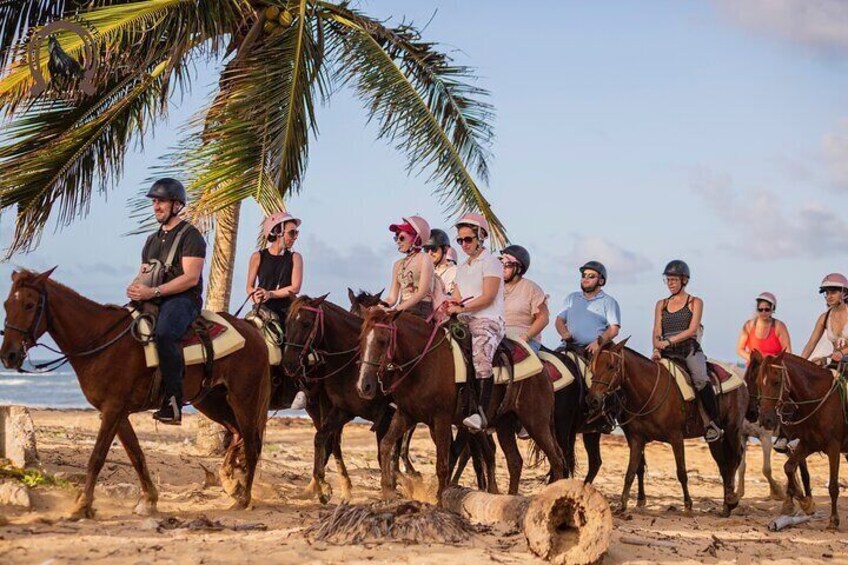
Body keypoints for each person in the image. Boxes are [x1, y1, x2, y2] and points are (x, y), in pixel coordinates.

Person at [127, 178, 206, 425]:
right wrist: (136, 287)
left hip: (183, 300)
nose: (156, 206)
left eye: (161, 201)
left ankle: (173, 401)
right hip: (156, 296)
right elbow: (146, 272)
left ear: (177, 205)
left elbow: (191, 278)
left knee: (164, 334)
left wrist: (154, 293)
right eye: (155, 202)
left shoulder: (191, 236)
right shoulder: (151, 240)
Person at [652, 260, 722, 443]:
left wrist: (668, 341)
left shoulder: (695, 302)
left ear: (684, 280)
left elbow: (692, 330)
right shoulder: (661, 304)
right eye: (668, 280)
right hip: (666, 351)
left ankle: (712, 422)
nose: (670, 283)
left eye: (674, 280)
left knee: (700, 379)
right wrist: (656, 348)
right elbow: (656, 330)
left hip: (689, 350)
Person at [447, 213, 505, 432]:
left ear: (481, 237)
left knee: (481, 357)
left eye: (468, 239)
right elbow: (457, 295)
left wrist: (461, 308)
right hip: (465, 317)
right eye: (460, 240)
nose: (463, 244)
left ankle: (480, 413)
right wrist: (450, 305)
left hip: (488, 320)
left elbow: (488, 296)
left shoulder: (491, 262)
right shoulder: (461, 267)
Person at [246, 211, 304, 407]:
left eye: (295, 233)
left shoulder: (295, 258)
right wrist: (256, 294)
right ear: (278, 232)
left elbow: (294, 288)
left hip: (286, 308)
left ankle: (297, 387)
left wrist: (270, 293)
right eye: (292, 233)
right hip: (262, 308)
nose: (295, 237)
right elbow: (249, 286)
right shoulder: (257, 256)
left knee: (293, 344)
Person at [555, 261, 620, 358]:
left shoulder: (609, 301)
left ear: (601, 281)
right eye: (584, 275)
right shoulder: (571, 297)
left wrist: (598, 343)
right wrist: (564, 333)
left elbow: (614, 329)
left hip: (594, 351)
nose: (586, 279)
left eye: (591, 276)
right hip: (569, 347)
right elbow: (559, 320)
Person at [384, 216, 436, 318]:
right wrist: (379, 306)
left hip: (421, 309)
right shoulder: (397, 264)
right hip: (403, 309)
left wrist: (396, 310)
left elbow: (422, 292)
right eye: (396, 237)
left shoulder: (425, 258)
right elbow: (392, 298)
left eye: (402, 237)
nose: (398, 241)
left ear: (416, 238)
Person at [500, 245, 549, 353]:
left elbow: (543, 318)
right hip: (496, 338)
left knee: (517, 367)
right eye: (500, 263)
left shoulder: (532, 288)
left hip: (523, 340)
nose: (502, 268)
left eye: (507, 265)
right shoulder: (493, 287)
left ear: (519, 268)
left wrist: (526, 336)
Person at [800, 273, 848, 365]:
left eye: (833, 292)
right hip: (838, 363)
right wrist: (799, 362)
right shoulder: (824, 318)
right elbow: (811, 343)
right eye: (827, 293)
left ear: (844, 293)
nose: (829, 296)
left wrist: (842, 352)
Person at [736, 292, 791, 363]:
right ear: (757, 309)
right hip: (755, 366)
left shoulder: (779, 326)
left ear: (772, 309)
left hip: (774, 367)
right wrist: (754, 359)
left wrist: (773, 361)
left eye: (767, 309)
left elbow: (787, 351)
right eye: (760, 310)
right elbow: (740, 349)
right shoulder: (749, 326)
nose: (763, 312)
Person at [425, 228, 457, 294]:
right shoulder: (424, 273)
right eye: (426, 249)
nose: (429, 253)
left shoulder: (456, 272)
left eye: (434, 249)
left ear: (445, 249)